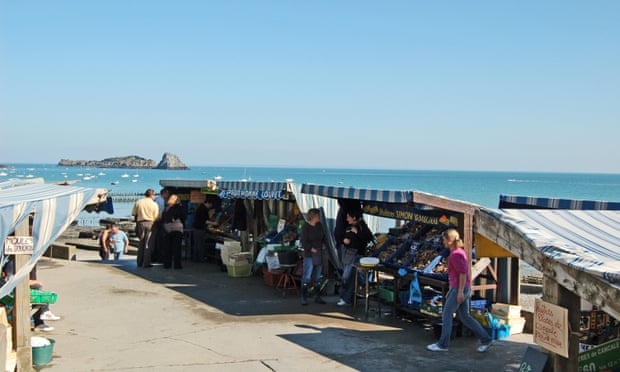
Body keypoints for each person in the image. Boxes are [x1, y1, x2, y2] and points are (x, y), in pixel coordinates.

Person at [427, 230, 494, 353]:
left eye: (444, 239)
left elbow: (462, 274)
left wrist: (459, 292)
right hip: (460, 288)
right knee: (465, 317)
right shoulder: (458, 252)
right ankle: (486, 339)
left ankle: (443, 344)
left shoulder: (456, 255)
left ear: (450, 241)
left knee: (447, 314)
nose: (443, 242)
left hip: (460, 288)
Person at [337, 209, 373, 306]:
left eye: (349, 217)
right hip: (347, 253)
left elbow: (369, 238)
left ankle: (345, 297)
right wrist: (344, 240)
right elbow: (342, 236)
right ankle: (346, 297)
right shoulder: (349, 226)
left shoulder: (361, 226)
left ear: (354, 217)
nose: (347, 219)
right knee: (349, 277)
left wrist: (358, 233)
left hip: (356, 254)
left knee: (347, 277)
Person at [300, 208, 326, 306]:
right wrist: (310, 248)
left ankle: (317, 296)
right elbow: (303, 241)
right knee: (307, 276)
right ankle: (304, 297)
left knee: (317, 276)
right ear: (313, 217)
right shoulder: (305, 227)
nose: (319, 217)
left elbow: (323, 237)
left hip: (319, 253)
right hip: (309, 255)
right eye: (318, 215)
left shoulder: (319, 226)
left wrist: (323, 244)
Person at [131, 188, 159, 268]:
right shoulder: (154, 204)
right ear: (152, 195)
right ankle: (146, 262)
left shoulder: (138, 202)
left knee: (141, 242)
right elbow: (156, 217)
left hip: (140, 223)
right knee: (148, 244)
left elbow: (133, 213)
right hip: (150, 223)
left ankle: (139, 261)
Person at [162, 194, 186, 269]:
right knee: (177, 248)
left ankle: (167, 264)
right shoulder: (179, 208)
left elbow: (163, 218)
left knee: (167, 247)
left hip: (167, 229)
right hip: (177, 228)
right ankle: (177, 264)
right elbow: (183, 217)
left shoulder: (166, 208)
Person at [150, 188, 170, 263]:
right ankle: (159, 257)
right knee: (160, 240)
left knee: (155, 240)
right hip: (159, 221)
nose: (168, 196)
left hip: (154, 221)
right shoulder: (161, 201)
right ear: (164, 193)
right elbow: (160, 212)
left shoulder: (156, 199)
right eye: (167, 194)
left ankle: (154, 256)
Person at [191, 197, 211, 262]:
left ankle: (195, 258)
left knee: (196, 243)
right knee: (200, 244)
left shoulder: (200, 208)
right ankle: (201, 258)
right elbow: (204, 221)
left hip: (196, 228)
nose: (210, 206)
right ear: (207, 203)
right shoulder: (203, 209)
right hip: (200, 228)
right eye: (210, 205)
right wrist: (214, 223)